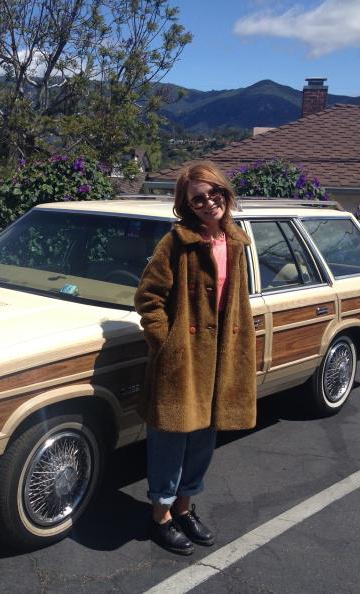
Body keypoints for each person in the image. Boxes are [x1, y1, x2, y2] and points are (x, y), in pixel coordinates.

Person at [134, 162, 257, 555]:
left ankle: (184, 509)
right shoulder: (176, 242)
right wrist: (167, 343)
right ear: (187, 205)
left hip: (221, 357)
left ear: (224, 191)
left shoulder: (235, 241)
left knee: (204, 439)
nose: (208, 202)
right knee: (170, 440)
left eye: (213, 193)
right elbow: (148, 298)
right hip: (183, 359)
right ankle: (160, 517)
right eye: (197, 199)